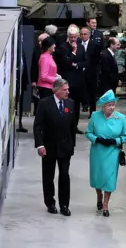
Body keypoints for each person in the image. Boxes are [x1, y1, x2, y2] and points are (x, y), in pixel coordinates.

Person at [33, 78, 76, 216]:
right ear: (56, 90)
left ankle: (64, 204)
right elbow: (37, 126)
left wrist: (72, 146)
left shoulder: (71, 103)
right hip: (49, 147)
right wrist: (40, 145)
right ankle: (50, 202)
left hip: (65, 147)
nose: (67, 92)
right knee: (48, 175)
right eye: (65, 90)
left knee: (64, 175)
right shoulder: (44, 104)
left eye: (68, 89)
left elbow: (72, 127)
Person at [85, 90, 126, 217]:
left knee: (109, 179)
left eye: (113, 104)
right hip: (97, 151)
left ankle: (105, 205)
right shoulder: (95, 116)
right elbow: (88, 132)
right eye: (109, 105)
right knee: (97, 177)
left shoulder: (120, 118)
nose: (112, 107)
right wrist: (97, 139)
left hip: (112, 152)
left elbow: (125, 135)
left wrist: (115, 141)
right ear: (103, 106)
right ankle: (99, 194)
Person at [56, 26, 88, 134]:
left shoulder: (81, 47)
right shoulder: (63, 47)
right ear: (68, 36)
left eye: (75, 37)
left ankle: (75, 126)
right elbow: (65, 62)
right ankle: (66, 126)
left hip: (78, 80)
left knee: (76, 104)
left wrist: (77, 65)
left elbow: (85, 61)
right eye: (71, 37)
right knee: (67, 104)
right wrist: (73, 52)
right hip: (68, 80)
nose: (73, 39)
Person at [80, 27, 102, 118]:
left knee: (92, 91)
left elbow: (97, 60)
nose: (83, 36)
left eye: (85, 34)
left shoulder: (95, 45)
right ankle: (83, 106)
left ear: (89, 35)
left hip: (91, 71)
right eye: (81, 34)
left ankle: (92, 111)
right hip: (80, 71)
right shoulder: (77, 44)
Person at [31, 33, 50, 115]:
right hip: (39, 79)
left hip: (49, 81)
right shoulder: (36, 50)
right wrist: (33, 80)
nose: (39, 43)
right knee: (37, 99)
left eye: (41, 41)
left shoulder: (51, 51)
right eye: (38, 41)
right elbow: (33, 66)